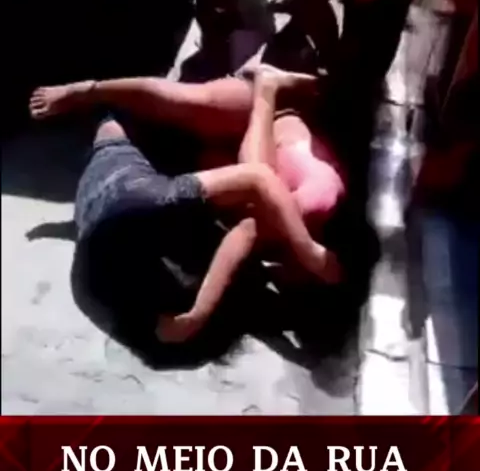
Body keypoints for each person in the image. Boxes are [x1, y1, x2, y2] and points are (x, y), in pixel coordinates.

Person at [29, 65, 345, 343]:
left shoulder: (137, 210)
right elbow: (251, 213)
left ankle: (262, 81)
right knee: (244, 182)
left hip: (172, 155)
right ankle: (266, 84)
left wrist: (195, 315)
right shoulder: (318, 203)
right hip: (249, 113)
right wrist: (310, 253)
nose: (281, 278)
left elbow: (246, 228)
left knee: (244, 199)